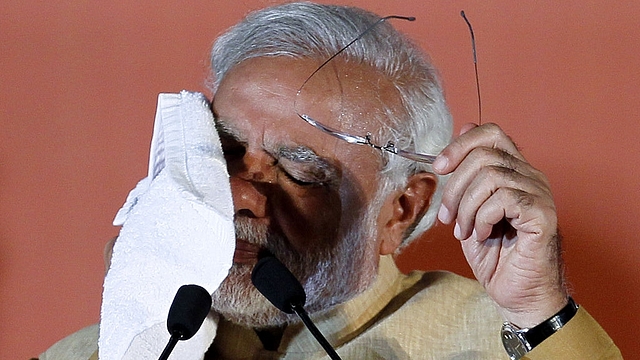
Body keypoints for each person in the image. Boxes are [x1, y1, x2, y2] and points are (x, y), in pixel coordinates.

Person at [39, 2, 621, 359]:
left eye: (299, 169)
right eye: (222, 150)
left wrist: (539, 311)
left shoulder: (511, 343)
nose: (239, 193)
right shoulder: (110, 348)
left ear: (399, 211)